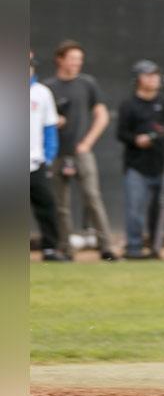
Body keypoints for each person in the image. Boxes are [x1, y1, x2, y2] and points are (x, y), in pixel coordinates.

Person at [43, 40, 118, 261]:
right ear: (60, 59)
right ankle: (66, 248)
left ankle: (107, 248)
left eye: (79, 59)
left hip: (81, 152)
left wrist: (87, 143)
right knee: (60, 204)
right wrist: (53, 122)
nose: (77, 63)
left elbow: (102, 115)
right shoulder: (48, 87)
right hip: (56, 153)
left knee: (92, 197)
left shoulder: (87, 84)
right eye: (72, 59)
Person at [115, 59, 164, 259]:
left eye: (156, 75)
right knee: (135, 211)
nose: (153, 79)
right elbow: (121, 134)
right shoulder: (128, 105)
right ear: (138, 79)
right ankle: (134, 248)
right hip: (137, 166)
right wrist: (137, 140)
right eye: (148, 75)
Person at [30, 51, 67, 262]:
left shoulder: (42, 93)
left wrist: (49, 157)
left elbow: (50, 127)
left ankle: (50, 249)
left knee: (47, 206)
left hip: (35, 162)